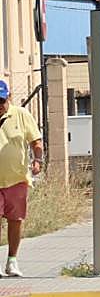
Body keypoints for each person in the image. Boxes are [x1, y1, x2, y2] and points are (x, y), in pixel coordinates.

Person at [0, 81, 43, 277]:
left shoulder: (21, 114)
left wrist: (38, 160)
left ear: (9, 98)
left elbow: (35, 140)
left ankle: (12, 261)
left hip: (17, 179)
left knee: (15, 220)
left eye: (1, 100)